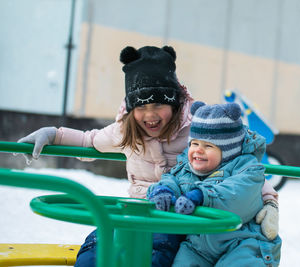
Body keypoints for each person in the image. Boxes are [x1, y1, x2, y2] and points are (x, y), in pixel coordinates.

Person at [17, 45, 279, 266]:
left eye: (159, 105)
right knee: (98, 247)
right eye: (141, 107)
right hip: (136, 211)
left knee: (153, 252)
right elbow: (89, 140)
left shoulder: (196, 130)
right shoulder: (125, 130)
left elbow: (240, 163)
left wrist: (269, 201)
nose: (150, 115)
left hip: (178, 216)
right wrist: (53, 134)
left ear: (174, 103)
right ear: (132, 109)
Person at [147, 101, 281, 267]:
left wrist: (203, 196)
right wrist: (163, 190)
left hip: (240, 241)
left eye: (208, 146)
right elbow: (172, 179)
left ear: (227, 151)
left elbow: (238, 195)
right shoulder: (186, 168)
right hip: (197, 245)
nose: (198, 150)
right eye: (194, 143)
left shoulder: (247, 169)